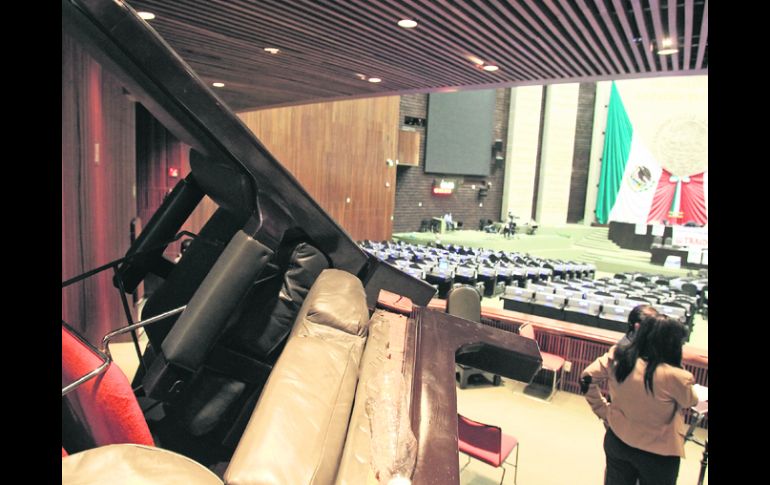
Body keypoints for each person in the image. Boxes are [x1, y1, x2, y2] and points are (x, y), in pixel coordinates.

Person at [581, 316, 698, 485]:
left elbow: (586, 378)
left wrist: (604, 411)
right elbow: (691, 401)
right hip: (658, 454)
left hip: (618, 440)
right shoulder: (677, 377)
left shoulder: (619, 358)